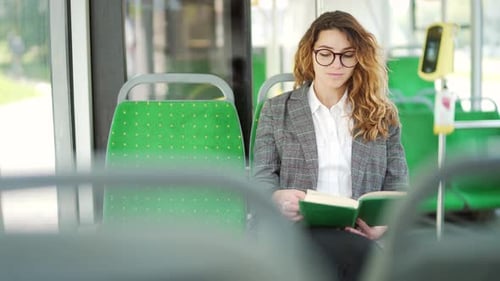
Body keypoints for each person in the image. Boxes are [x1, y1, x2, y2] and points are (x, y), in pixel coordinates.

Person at [252, 10, 409, 281]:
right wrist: (277, 198)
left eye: (347, 54)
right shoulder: (277, 110)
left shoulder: (381, 115)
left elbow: (398, 187)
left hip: (360, 235)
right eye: (326, 53)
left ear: (358, 58)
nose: (336, 64)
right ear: (310, 55)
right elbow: (262, 178)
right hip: (298, 232)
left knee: (356, 255)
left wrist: (383, 225)